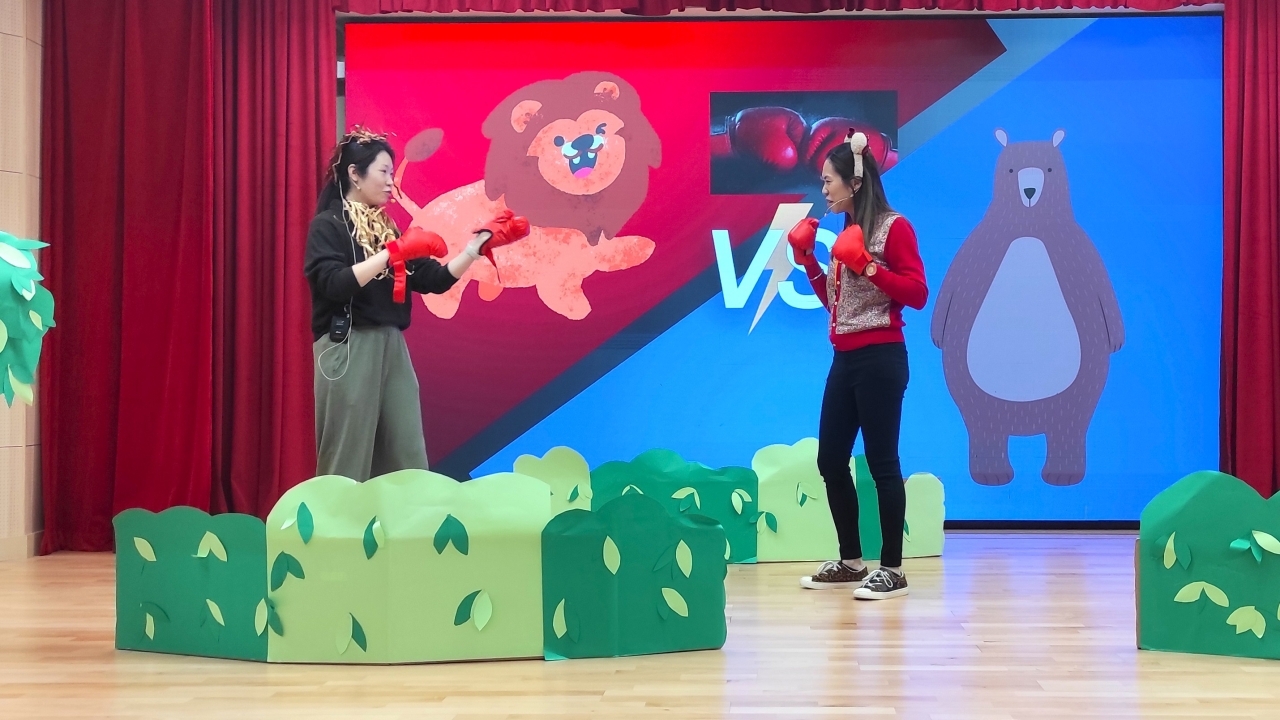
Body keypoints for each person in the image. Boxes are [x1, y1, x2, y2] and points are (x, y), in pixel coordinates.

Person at [304, 128, 527, 482]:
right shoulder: (328, 226)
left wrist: (476, 248)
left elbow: (434, 280)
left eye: (392, 173)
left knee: (406, 452)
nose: (390, 182)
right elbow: (333, 284)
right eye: (383, 172)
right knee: (348, 454)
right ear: (354, 174)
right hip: (348, 345)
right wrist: (392, 254)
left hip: (391, 344)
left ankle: (407, 516)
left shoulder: (388, 230)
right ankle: (337, 516)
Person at [787, 130, 928, 600]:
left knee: (882, 463)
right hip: (844, 358)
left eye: (828, 181)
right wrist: (808, 261)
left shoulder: (894, 228)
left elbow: (917, 293)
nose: (823, 190)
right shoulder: (845, 234)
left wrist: (869, 267)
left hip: (881, 358)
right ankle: (851, 560)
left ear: (855, 183)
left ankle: (893, 569)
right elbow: (836, 304)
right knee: (830, 460)